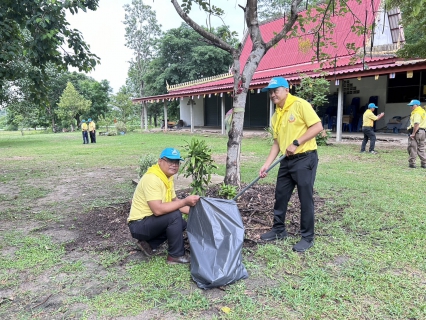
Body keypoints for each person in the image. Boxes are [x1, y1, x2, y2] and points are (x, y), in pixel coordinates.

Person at [258, 77, 323, 252]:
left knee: (305, 198)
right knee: (280, 195)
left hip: (305, 158)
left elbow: (317, 127)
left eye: (275, 90)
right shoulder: (275, 115)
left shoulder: (300, 105)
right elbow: (277, 144)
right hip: (286, 161)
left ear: (286, 90)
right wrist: (266, 164)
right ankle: (279, 230)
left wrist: (296, 142)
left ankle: (307, 237)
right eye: (270, 92)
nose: (272, 95)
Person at [127, 148, 200, 264]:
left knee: (181, 223)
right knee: (174, 215)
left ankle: (148, 244)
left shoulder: (167, 178)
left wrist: (198, 213)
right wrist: (184, 202)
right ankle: (175, 255)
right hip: (139, 225)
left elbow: (175, 201)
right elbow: (157, 210)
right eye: (170, 161)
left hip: (148, 222)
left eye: (176, 162)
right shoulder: (152, 178)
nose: (174, 165)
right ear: (160, 161)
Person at [406, 99, 426, 168]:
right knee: (421, 148)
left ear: (417, 105)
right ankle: (424, 163)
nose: (410, 107)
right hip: (423, 131)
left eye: (412, 105)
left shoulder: (417, 113)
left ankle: (412, 163)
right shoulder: (423, 111)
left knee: (412, 147)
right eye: (410, 105)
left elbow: (416, 123)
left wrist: (413, 133)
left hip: (417, 131)